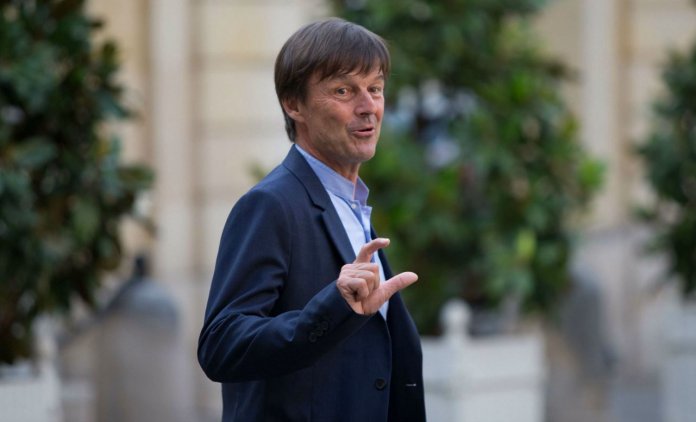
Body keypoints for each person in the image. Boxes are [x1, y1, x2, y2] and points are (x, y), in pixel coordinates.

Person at [197, 18, 426, 422]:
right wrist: (332, 306)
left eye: (375, 89)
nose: (368, 107)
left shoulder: (352, 203)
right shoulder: (271, 205)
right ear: (294, 105)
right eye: (343, 91)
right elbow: (221, 345)